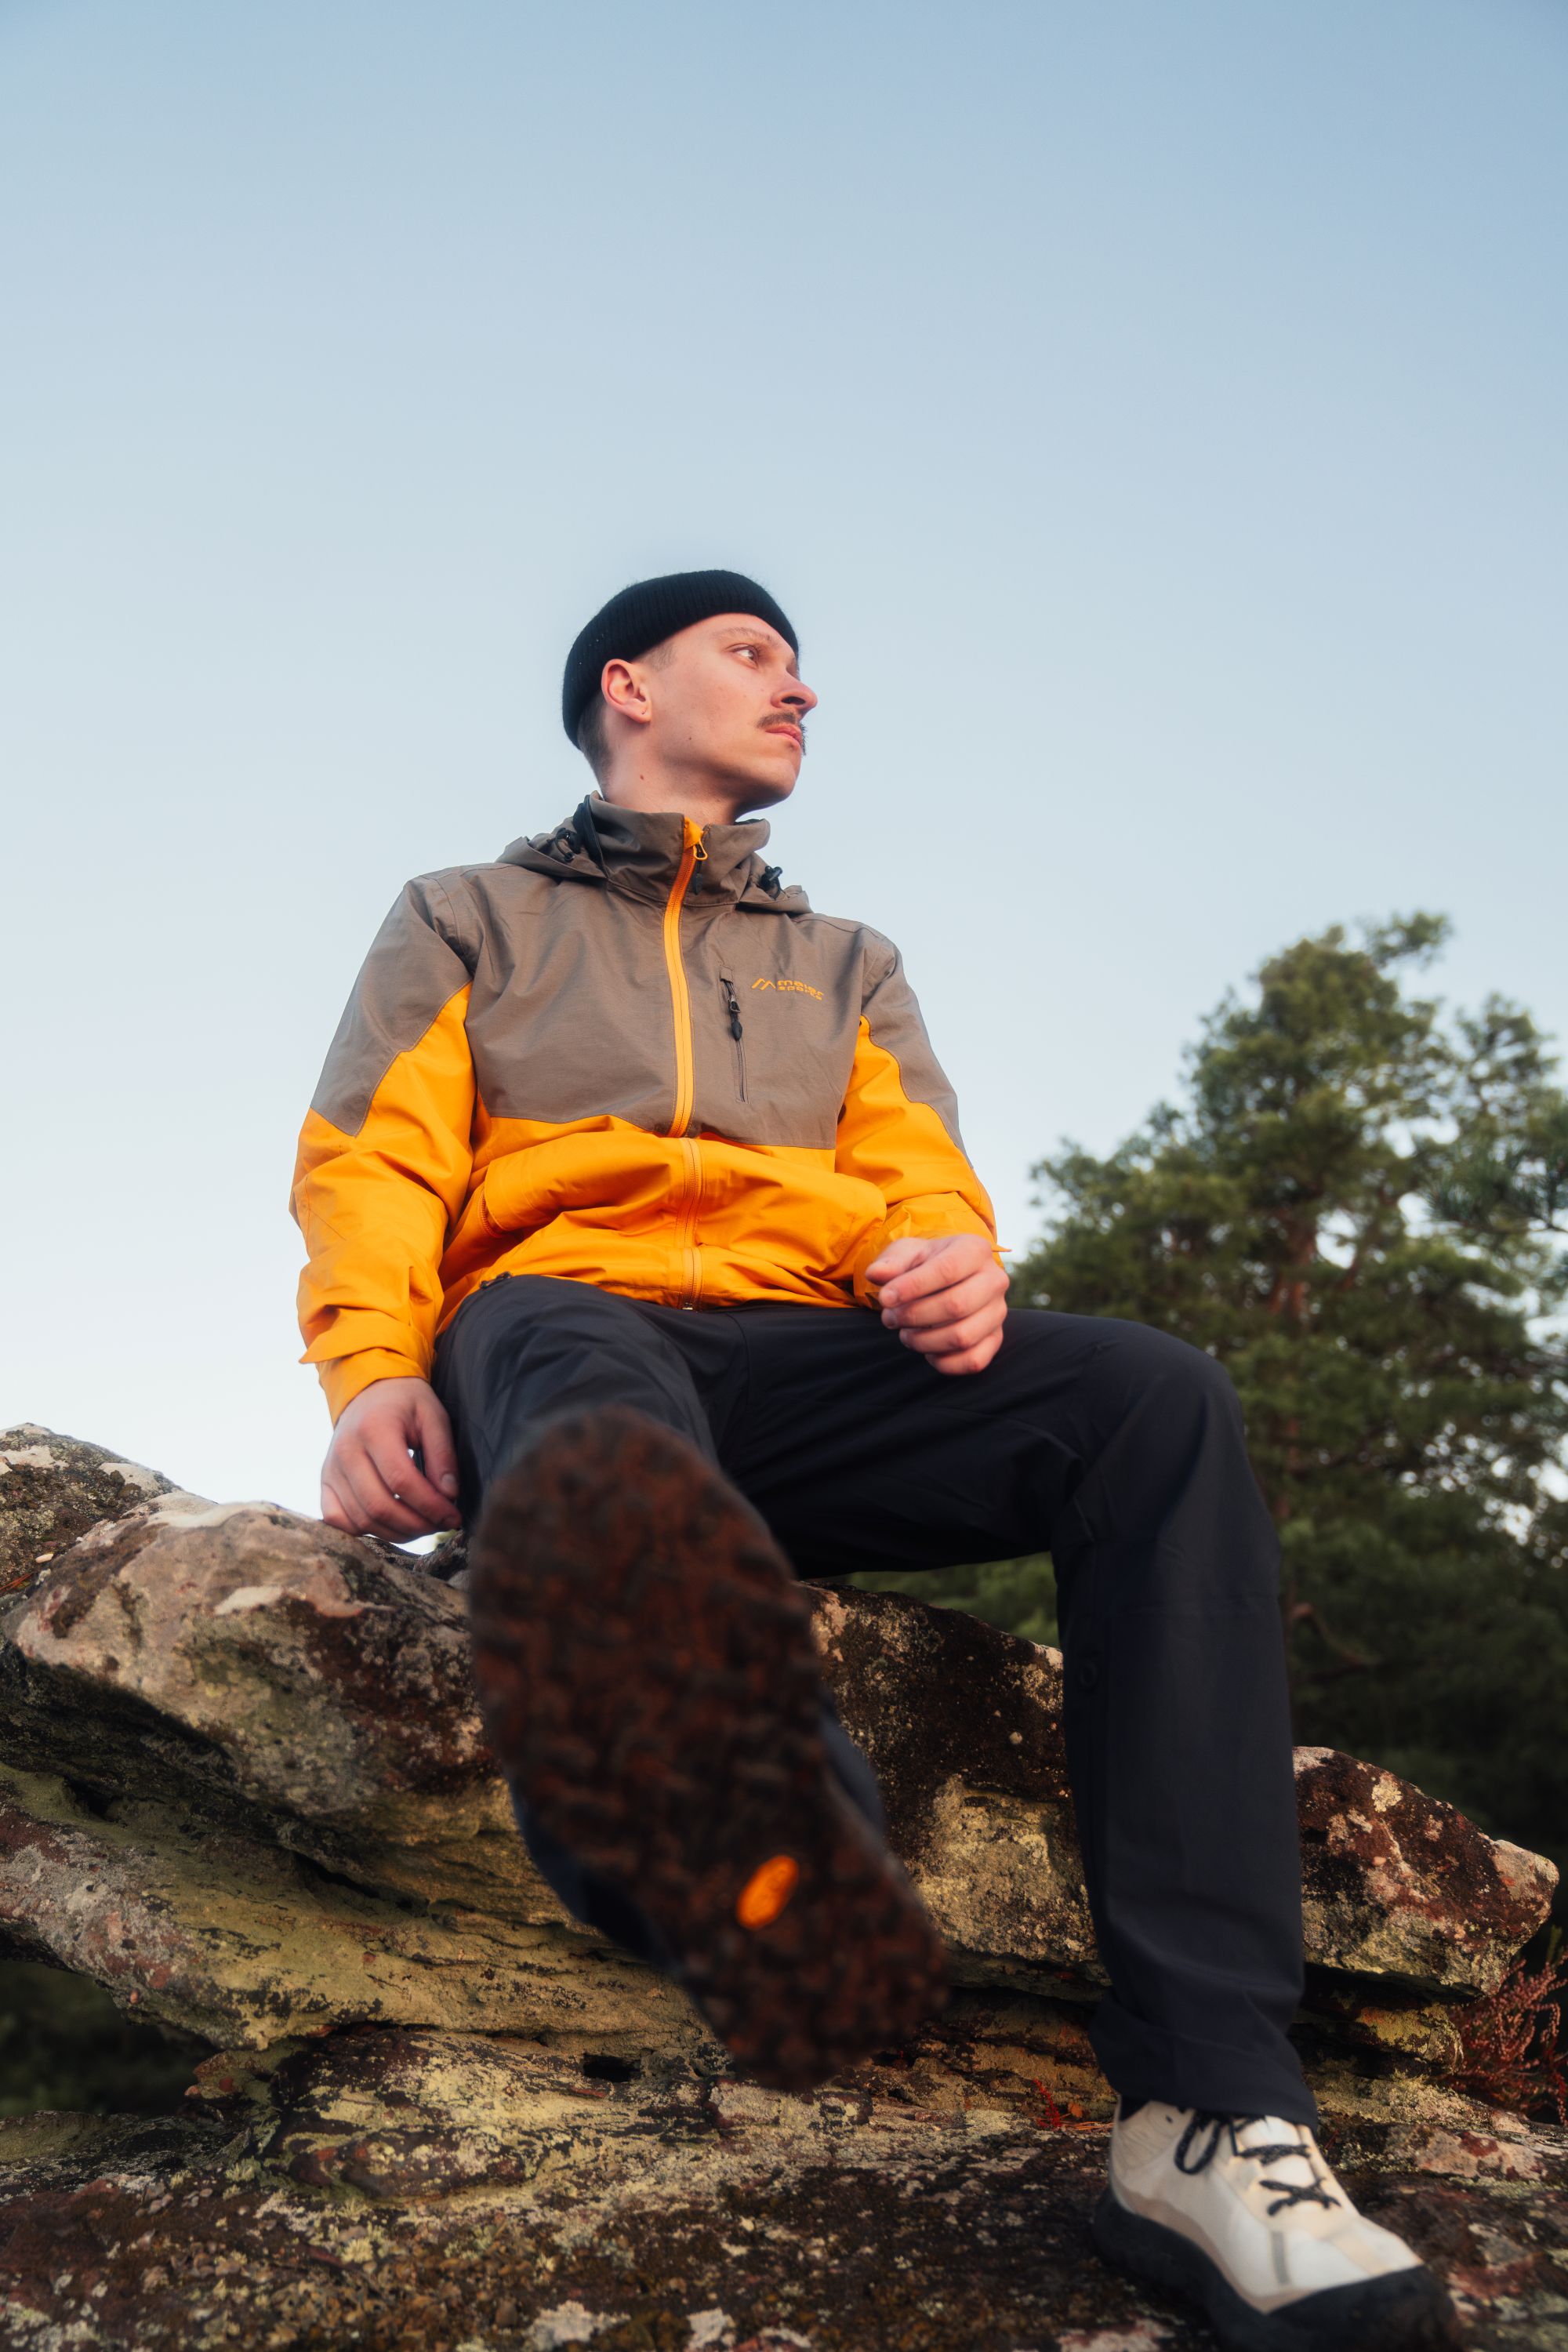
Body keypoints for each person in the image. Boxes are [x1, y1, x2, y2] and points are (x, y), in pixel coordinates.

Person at [292, 569, 1454, 2351]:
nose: (801, 689)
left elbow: (921, 1176)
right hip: (572, 1330)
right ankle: (737, 1814)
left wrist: (952, 1258)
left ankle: (1208, 2114)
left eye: (799, 663)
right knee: (569, 1361)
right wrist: (372, 1370)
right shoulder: (468, 913)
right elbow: (373, 1156)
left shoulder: (848, 962)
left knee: (1152, 1399)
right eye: (754, 654)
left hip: (808, 1368)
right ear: (628, 686)